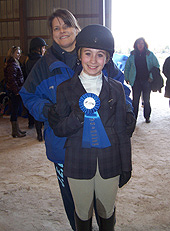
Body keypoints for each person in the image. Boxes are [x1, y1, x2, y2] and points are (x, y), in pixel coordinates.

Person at [20, 8, 135, 231]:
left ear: (76, 28)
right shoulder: (44, 66)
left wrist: (127, 110)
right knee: (75, 202)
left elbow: (123, 91)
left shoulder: (98, 55)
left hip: (104, 148)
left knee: (105, 199)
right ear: (51, 33)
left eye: (67, 25)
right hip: (64, 147)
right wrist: (46, 110)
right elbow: (27, 95)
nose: (62, 31)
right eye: (56, 28)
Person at [48, 24, 132, 231]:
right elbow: (60, 129)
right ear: (80, 55)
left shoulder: (117, 89)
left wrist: (126, 165)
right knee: (82, 211)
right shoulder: (64, 89)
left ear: (107, 58)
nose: (93, 61)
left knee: (107, 210)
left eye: (100, 55)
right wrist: (77, 118)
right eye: (88, 54)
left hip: (110, 161)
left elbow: (122, 132)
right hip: (78, 162)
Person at [124, 37, 160, 123]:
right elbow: (127, 67)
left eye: (142, 43)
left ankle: (147, 116)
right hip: (135, 81)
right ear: (136, 45)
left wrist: (151, 77)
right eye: (138, 43)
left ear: (145, 44)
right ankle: (133, 118)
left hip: (147, 81)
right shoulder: (132, 55)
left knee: (146, 100)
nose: (140, 45)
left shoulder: (149, 54)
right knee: (135, 101)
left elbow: (156, 66)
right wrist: (127, 77)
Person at [25, 37, 48, 141]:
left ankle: (39, 134)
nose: (44, 50)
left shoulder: (28, 60)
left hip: (32, 89)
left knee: (36, 111)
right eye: (43, 48)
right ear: (38, 48)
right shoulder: (41, 61)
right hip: (42, 89)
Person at [4, 46, 26, 138]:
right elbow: (12, 79)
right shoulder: (12, 65)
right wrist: (16, 91)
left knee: (15, 110)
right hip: (14, 92)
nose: (19, 54)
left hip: (16, 90)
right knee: (14, 110)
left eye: (20, 53)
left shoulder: (16, 63)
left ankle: (17, 129)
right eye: (17, 53)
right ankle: (15, 131)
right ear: (12, 53)